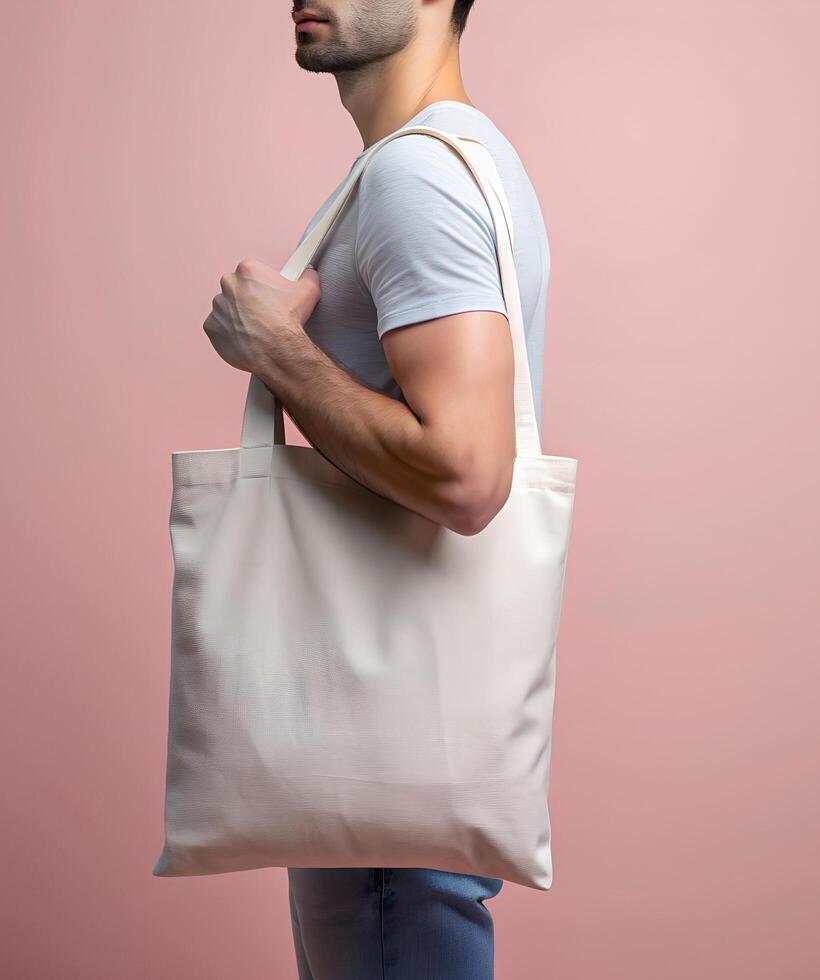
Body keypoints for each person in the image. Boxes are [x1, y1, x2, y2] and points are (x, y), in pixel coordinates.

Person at [202, 2, 553, 976]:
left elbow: (468, 473)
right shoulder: (448, 159)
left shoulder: (417, 174)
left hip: (383, 770)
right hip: (399, 746)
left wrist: (276, 352)